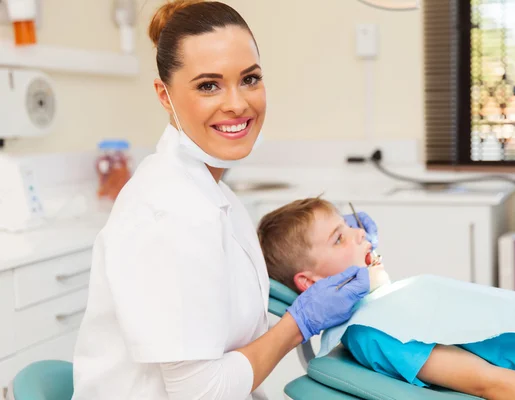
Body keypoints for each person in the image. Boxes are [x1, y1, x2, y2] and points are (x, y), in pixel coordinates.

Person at [71, 2, 376, 399]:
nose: (237, 103)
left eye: (250, 79)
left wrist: (335, 251)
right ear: (165, 95)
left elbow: (220, 288)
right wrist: (299, 323)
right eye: (208, 85)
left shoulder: (211, 190)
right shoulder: (169, 212)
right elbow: (201, 392)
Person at [257, 197, 515, 400]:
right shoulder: (374, 332)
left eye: (349, 226)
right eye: (338, 238)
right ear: (310, 282)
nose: (361, 233)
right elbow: (491, 382)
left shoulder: (387, 302)